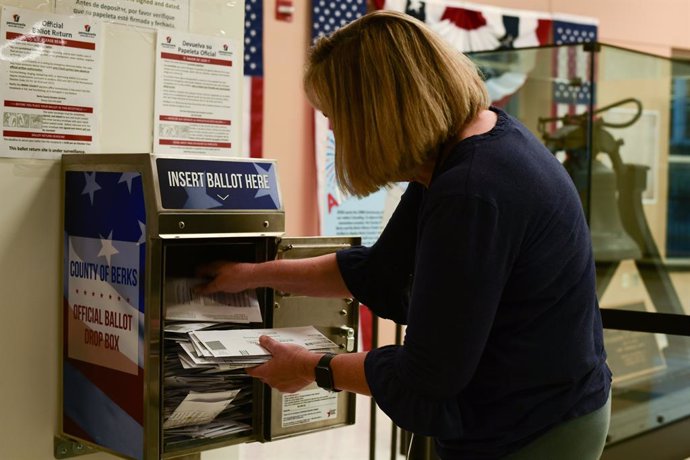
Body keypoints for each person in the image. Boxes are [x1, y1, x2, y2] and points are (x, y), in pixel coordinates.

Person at [196, 10, 611, 460]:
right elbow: (381, 271)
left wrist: (313, 368)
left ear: (378, 111)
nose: (333, 129)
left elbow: (429, 374)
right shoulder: (461, 146)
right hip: (528, 407)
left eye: (335, 115)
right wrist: (251, 274)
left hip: (533, 428)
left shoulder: (471, 190)